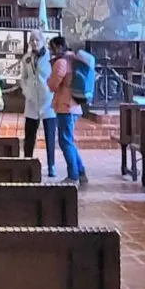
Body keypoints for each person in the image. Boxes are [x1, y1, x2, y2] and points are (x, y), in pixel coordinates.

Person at [48, 35, 88, 186]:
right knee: (69, 140)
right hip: (74, 105)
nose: (50, 51)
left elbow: (52, 85)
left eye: (51, 48)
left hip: (65, 106)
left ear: (58, 47)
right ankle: (81, 172)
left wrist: (48, 78)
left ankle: (73, 176)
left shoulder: (61, 62)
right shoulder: (73, 59)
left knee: (65, 141)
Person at [19, 29, 56, 175]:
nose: (34, 42)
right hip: (32, 100)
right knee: (29, 135)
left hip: (48, 101)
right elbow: (23, 77)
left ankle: (51, 165)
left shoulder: (51, 57)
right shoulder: (27, 58)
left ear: (43, 41)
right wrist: (26, 91)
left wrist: (50, 91)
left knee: (50, 136)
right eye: (32, 40)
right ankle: (27, 161)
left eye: (37, 40)